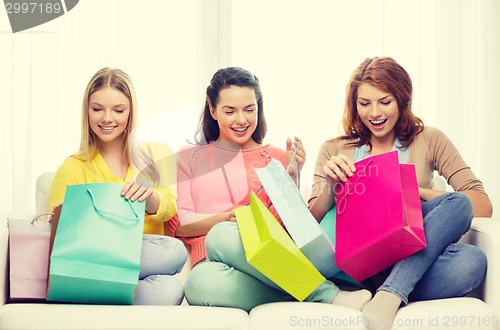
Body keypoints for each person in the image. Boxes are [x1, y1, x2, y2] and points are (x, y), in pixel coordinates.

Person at [308, 56, 493, 330]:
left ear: (402, 100)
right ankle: (394, 289)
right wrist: (330, 185)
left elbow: (481, 204)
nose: (375, 113)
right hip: (357, 262)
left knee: (470, 252)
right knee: (463, 235)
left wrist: (407, 190)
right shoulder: (335, 148)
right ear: (353, 104)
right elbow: (308, 221)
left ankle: (389, 293)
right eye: (364, 103)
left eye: (385, 102)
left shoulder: (429, 139)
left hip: (408, 250)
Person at [168, 66, 372, 312]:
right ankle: (314, 292)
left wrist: (291, 175)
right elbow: (180, 223)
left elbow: (288, 226)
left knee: (222, 233)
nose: (241, 120)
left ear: (259, 108)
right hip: (212, 259)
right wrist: (227, 218)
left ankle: (322, 292)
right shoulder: (188, 157)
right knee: (199, 283)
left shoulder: (276, 157)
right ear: (213, 110)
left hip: (270, 261)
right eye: (230, 111)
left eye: (249, 109)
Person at [48, 67, 187, 305]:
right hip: (94, 261)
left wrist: (149, 197)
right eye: (97, 109)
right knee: (171, 256)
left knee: (172, 265)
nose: (107, 118)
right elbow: (52, 237)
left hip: (144, 267)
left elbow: (169, 210)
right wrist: (67, 215)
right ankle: (107, 289)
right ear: (86, 111)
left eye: (118, 110)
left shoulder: (156, 154)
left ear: (131, 112)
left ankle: (111, 298)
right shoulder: (71, 168)